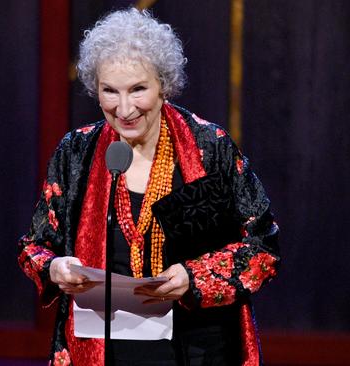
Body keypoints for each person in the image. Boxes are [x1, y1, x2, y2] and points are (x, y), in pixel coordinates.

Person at [18, 8, 279, 366]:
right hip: (107, 350)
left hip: (198, 350)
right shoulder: (76, 153)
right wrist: (54, 268)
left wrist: (193, 277)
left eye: (138, 89)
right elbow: (34, 247)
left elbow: (262, 246)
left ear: (163, 84)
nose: (124, 109)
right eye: (109, 91)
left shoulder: (209, 148)